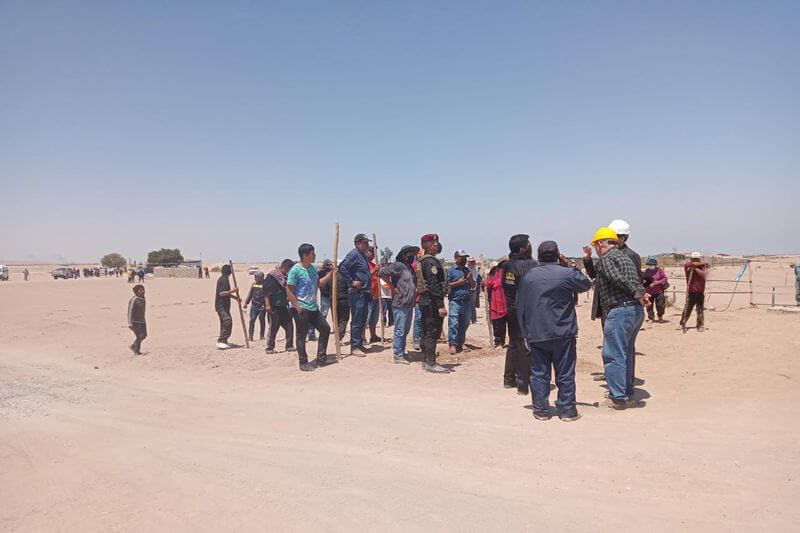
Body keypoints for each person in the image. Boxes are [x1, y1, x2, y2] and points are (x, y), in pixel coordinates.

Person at [517, 241, 592, 421]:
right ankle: (567, 411)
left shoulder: (529, 277)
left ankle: (541, 410)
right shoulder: (566, 273)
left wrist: (524, 332)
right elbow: (586, 284)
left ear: (539, 255)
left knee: (540, 373)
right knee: (565, 373)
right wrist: (567, 265)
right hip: (563, 332)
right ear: (558, 254)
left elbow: (520, 306)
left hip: (537, 333)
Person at [583, 227, 649, 410]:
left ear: (601, 244)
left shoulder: (608, 258)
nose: (596, 249)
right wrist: (639, 293)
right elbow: (632, 278)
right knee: (625, 352)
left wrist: (638, 292)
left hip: (621, 310)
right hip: (633, 311)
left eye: (596, 245)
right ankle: (626, 392)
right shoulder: (624, 256)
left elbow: (618, 279)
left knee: (613, 354)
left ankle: (618, 397)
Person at [286, 243, 335, 372]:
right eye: (313, 253)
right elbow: (289, 290)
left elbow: (317, 284)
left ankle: (321, 358)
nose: (315, 255)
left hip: (313, 306)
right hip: (300, 307)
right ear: (305, 255)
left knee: (325, 328)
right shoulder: (295, 270)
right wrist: (297, 307)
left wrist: (331, 274)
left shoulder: (313, 269)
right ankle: (303, 363)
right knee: (301, 335)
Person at [502, 234, 538, 394]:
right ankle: (523, 383)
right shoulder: (530, 265)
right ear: (523, 248)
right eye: (529, 244)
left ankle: (509, 379)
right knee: (525, 345)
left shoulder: (508, 265)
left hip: (511, 308)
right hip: (526, 310)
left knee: (513, 343)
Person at [417, 234, 451, 373]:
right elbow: (433, 285)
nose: (436, 245)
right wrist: (441, 305)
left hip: (426, 301)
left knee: (425, 331)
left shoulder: (425, 260)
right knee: (431, 332)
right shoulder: (430, 262)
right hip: (431, 302)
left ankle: (426, 361)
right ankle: (431, 363)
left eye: (436, 242)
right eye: (433, 242)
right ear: (425, 245)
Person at [379, 245, 419, 364]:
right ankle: (398, 354)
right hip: (400, 302)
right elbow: (382, 273)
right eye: (409, 253)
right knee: (400, 330)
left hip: (409, 303)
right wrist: (392, 287)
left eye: (413, 253)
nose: (412, 255)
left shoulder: (409, 268)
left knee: (405, 330)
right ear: (404, 255)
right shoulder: (398, 265)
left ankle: (402, 350)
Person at [340, 233, 373, 355]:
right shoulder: (353, 254)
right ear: (358, 243)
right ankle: (354, 347)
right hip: (356, 293)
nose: (367, 245)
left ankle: (359, 343)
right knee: (357, 320)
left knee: (363, 319)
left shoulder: (362, 255)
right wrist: (351, 281)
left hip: (364, 292)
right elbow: (342, 268)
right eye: (365, 243)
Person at [447, 249, 476, 354]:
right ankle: (453, 344)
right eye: (461, 257)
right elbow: (446, 285)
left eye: (465, 258)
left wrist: (470, 279)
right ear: (456, 258)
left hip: (466, 302)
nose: (464, 259)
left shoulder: (467, 270)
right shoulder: (450, 270)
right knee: (453, 323)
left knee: (465, 323)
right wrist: (458, 283)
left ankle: (461, 343)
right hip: (455, 301)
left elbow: (473, 286)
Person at [264, 259, 295, 354]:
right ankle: (269, 348)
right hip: (274, 306)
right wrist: (267, 304)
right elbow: (265, 291)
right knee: (274, 327)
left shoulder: (284, 277)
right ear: (285, 267)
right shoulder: (272, 276)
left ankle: (289, 346)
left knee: (289, 325)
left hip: (283, 305)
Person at [680, 252, 707, 332]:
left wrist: (695, 269)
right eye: (694, 259)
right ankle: (682, 322)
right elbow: (690, 264)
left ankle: (700, 325)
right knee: (687, 308)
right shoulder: (688, 265)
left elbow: (703, 275)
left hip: (700, 291)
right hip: (691, 291)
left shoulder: (702, 266)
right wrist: (695, 266)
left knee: (700, 309)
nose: (695, 261)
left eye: (697, 259)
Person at [308, 259, 334, 342]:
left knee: (335, 314)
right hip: (325, 296)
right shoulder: (321, 273)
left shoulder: (334, 273)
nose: (330, 266)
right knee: (323, 313)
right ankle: (318, 330)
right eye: (328, 265)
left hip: (333, 296)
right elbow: (318, 283)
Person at [215, 264, 239, 349]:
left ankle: (224, 341)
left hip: (224, 306)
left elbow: (226, 293)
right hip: (221, 306)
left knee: (224, 323)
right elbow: (222, 293)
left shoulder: (225, 279)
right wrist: (233, 290)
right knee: (227, 321)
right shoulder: (223, 280)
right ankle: (221, 340)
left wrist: (235, 298)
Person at [485, 261, 507, 347]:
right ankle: (498, 341)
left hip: (504, 302)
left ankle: (503, 340)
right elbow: (487, 286)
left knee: (504, 323)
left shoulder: (502, 274)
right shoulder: (490, 276)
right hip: (494, 303)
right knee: (496, 323)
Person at [363, 246, 381, 344]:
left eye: (373, 252)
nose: (373, 254)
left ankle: (373, 336)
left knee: (374, 318)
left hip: (375, 295)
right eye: (370, 252)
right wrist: (374, 271)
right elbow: (364, 277)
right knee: (366, 318)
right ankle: (362, 338)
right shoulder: (363, 264)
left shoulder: (373, 265)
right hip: (367, 296)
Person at [243, 271, 267, 341]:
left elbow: (267, 296)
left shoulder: (265, 285)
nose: (255, 278)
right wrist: (246, 303)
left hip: (262, 306)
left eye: (256, 277)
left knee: (262, 320)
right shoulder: (253, 284)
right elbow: (250, 294)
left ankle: (262, 336)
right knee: (252, 320)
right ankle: (250, 336)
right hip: (254, 306)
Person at [643, 257, 669, 322]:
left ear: (655, 265)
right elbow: (643, 280)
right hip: (649, 291)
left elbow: (665, 278)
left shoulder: (659, 270)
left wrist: (658, 282)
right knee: (649, 305)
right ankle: (651, 318)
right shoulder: (646, 271)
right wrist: (648, 283)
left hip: (659, 291)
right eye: (649, 265)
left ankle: (660, 316)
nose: (650, 266)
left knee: (660, 305)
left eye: (652, 265)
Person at [127, 284, 147, 355]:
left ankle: (133, 346)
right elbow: (130, 311)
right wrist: (130, 323)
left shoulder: (143, 298)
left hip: (142, 320)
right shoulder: (134, 300)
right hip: (135, 321)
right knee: (139, 336)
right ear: (136, 292)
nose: (143, 291)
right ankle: (136, 351)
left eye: (143, 290)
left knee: (144, 335)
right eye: (140, 290)